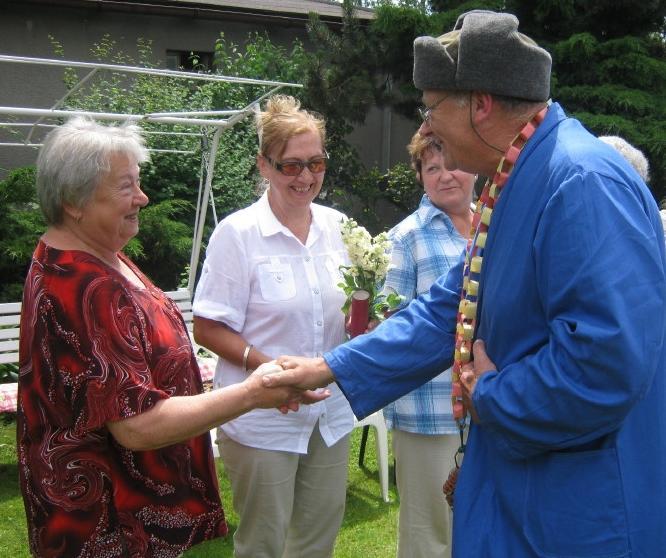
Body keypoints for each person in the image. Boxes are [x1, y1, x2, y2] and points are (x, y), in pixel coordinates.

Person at [263, 10, 666, 557]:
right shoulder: (526, 173)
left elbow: (606, 364)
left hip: (578, 513)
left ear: (480, 104)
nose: (424, 129)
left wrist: (493, 394)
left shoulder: (581, 182)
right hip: (533, 489)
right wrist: (331, 367)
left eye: (430, 109)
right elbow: (448, 308)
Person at [16, 116, 325, 558]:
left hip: (134, 513)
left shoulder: (102, 256)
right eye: (126, 187)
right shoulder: (81, 287)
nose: (142, 197)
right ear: (73, 202)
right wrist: (254, 392)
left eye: (138, 182)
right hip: (108, 525)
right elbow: (137, 427)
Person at [192, 94, 354, 558]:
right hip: (264, 418)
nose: (306, 177)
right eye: (291, 166)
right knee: (263, 544)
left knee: (316, 541)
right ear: (264, 165)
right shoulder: (238, 235)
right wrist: (275, 374)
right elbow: (208, 327)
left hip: (330, 415)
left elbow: (351, 313)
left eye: (317, 163)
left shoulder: (340, 228)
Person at [381, 132, 474, 558]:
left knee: (474, 522)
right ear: (420, 177)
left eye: (451, 163)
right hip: (428, 410)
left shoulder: (493, 225)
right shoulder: (407, 237)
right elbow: (391, 323)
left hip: (486, 406)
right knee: (429, 533)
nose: (445, 176)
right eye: (431, 168)